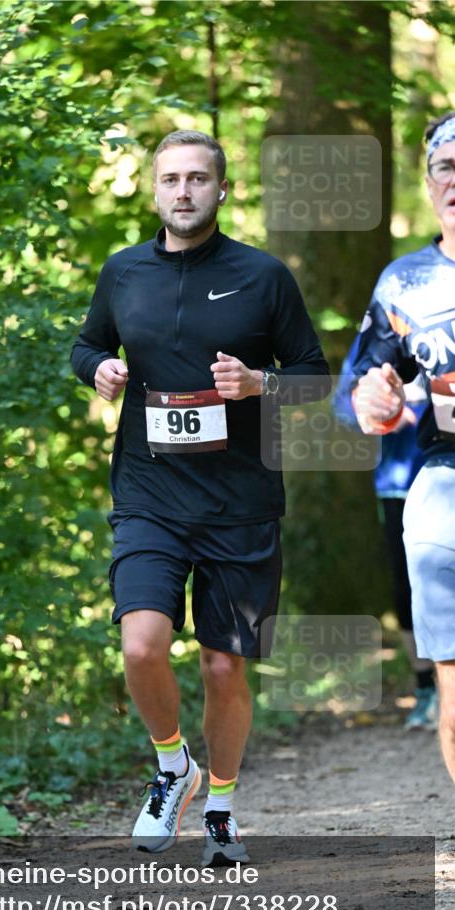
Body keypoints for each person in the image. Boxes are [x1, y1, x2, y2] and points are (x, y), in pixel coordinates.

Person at [71, 130, 330, 863]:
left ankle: (219, 805)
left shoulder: (262, 275)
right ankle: (169, 765)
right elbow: (86, 344)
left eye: (196, 179)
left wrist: (259, 384)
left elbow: (312, 374)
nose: (182, 192)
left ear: (222, 190)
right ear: (153, 190)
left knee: (222, 666)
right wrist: (99, 371)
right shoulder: (123, 272)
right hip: (149, 495)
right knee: (140, 644)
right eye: (169, 180)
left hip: (240, 502)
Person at [351, 111, 455, 782]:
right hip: (444, 480)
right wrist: (377, 403)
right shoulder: (401, 283)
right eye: (447, 168)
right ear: (428, 182)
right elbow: (366, 391)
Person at [333, 342, 436, 730]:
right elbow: (343, 407)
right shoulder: (374, 339)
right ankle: (427, 688)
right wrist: (386, 412)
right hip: (399, 484)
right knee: (407, 588)